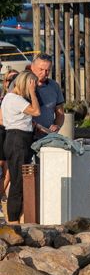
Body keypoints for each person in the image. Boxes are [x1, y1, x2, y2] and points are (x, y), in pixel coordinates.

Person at [2, 71, 36, 221]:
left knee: (19, 179)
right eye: (32, 85)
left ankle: (17, 216)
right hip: (17, 140)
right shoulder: (15, 98)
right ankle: (13, 219)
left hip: (17, 138)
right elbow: (36, 111)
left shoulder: (11, 98)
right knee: (18, 181)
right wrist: (33, 93)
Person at [29, 55, 61, 133]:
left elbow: (60, 113)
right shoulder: (21, 84)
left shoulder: (54, 86)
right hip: (26, 135)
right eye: (41, 69)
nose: (44, 73)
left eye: (47, 70)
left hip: (47, 135)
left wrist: (57, 125)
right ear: (32, 67)